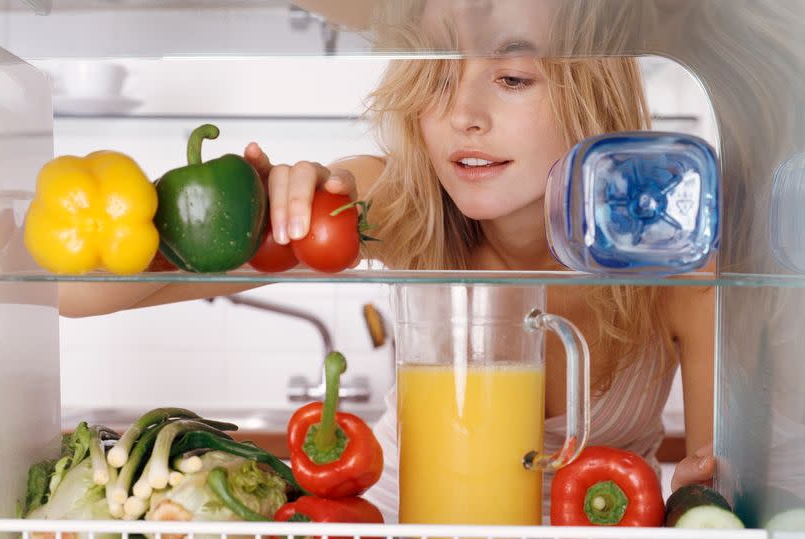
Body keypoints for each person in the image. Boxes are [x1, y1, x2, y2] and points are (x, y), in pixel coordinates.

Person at [59, 0, 717, 523]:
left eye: (513, 78)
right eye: (436, 77)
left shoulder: (676, 264)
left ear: (593, 96)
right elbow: (76, 295)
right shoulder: (391, 201)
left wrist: (688, 492)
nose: (462, 115)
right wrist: (257, 220)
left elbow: (716, 492)